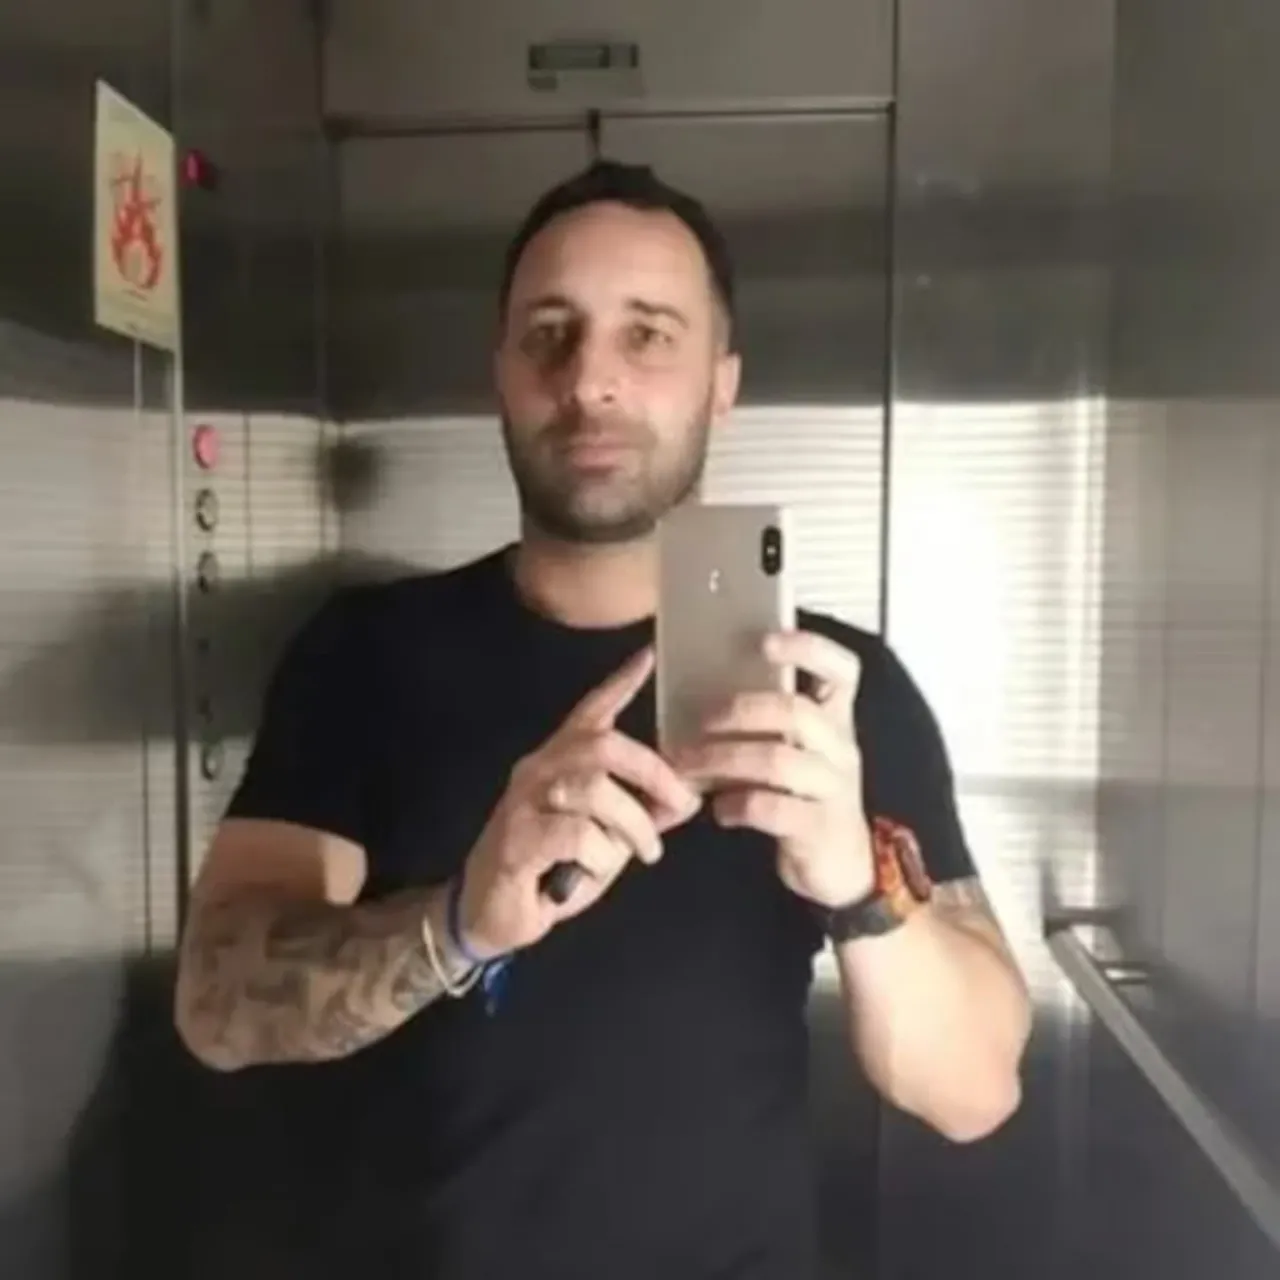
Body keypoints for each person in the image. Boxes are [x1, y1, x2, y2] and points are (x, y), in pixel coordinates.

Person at [173, 160, 1031, 1280]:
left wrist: (854, 880)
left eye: (648, 335)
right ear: (500, 373)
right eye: (549, 333)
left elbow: (972, 1091)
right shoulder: (364, 654)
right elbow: (214, 1006)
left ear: (721, 384)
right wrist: (459, 923)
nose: (590, 379)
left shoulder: (831, 688)